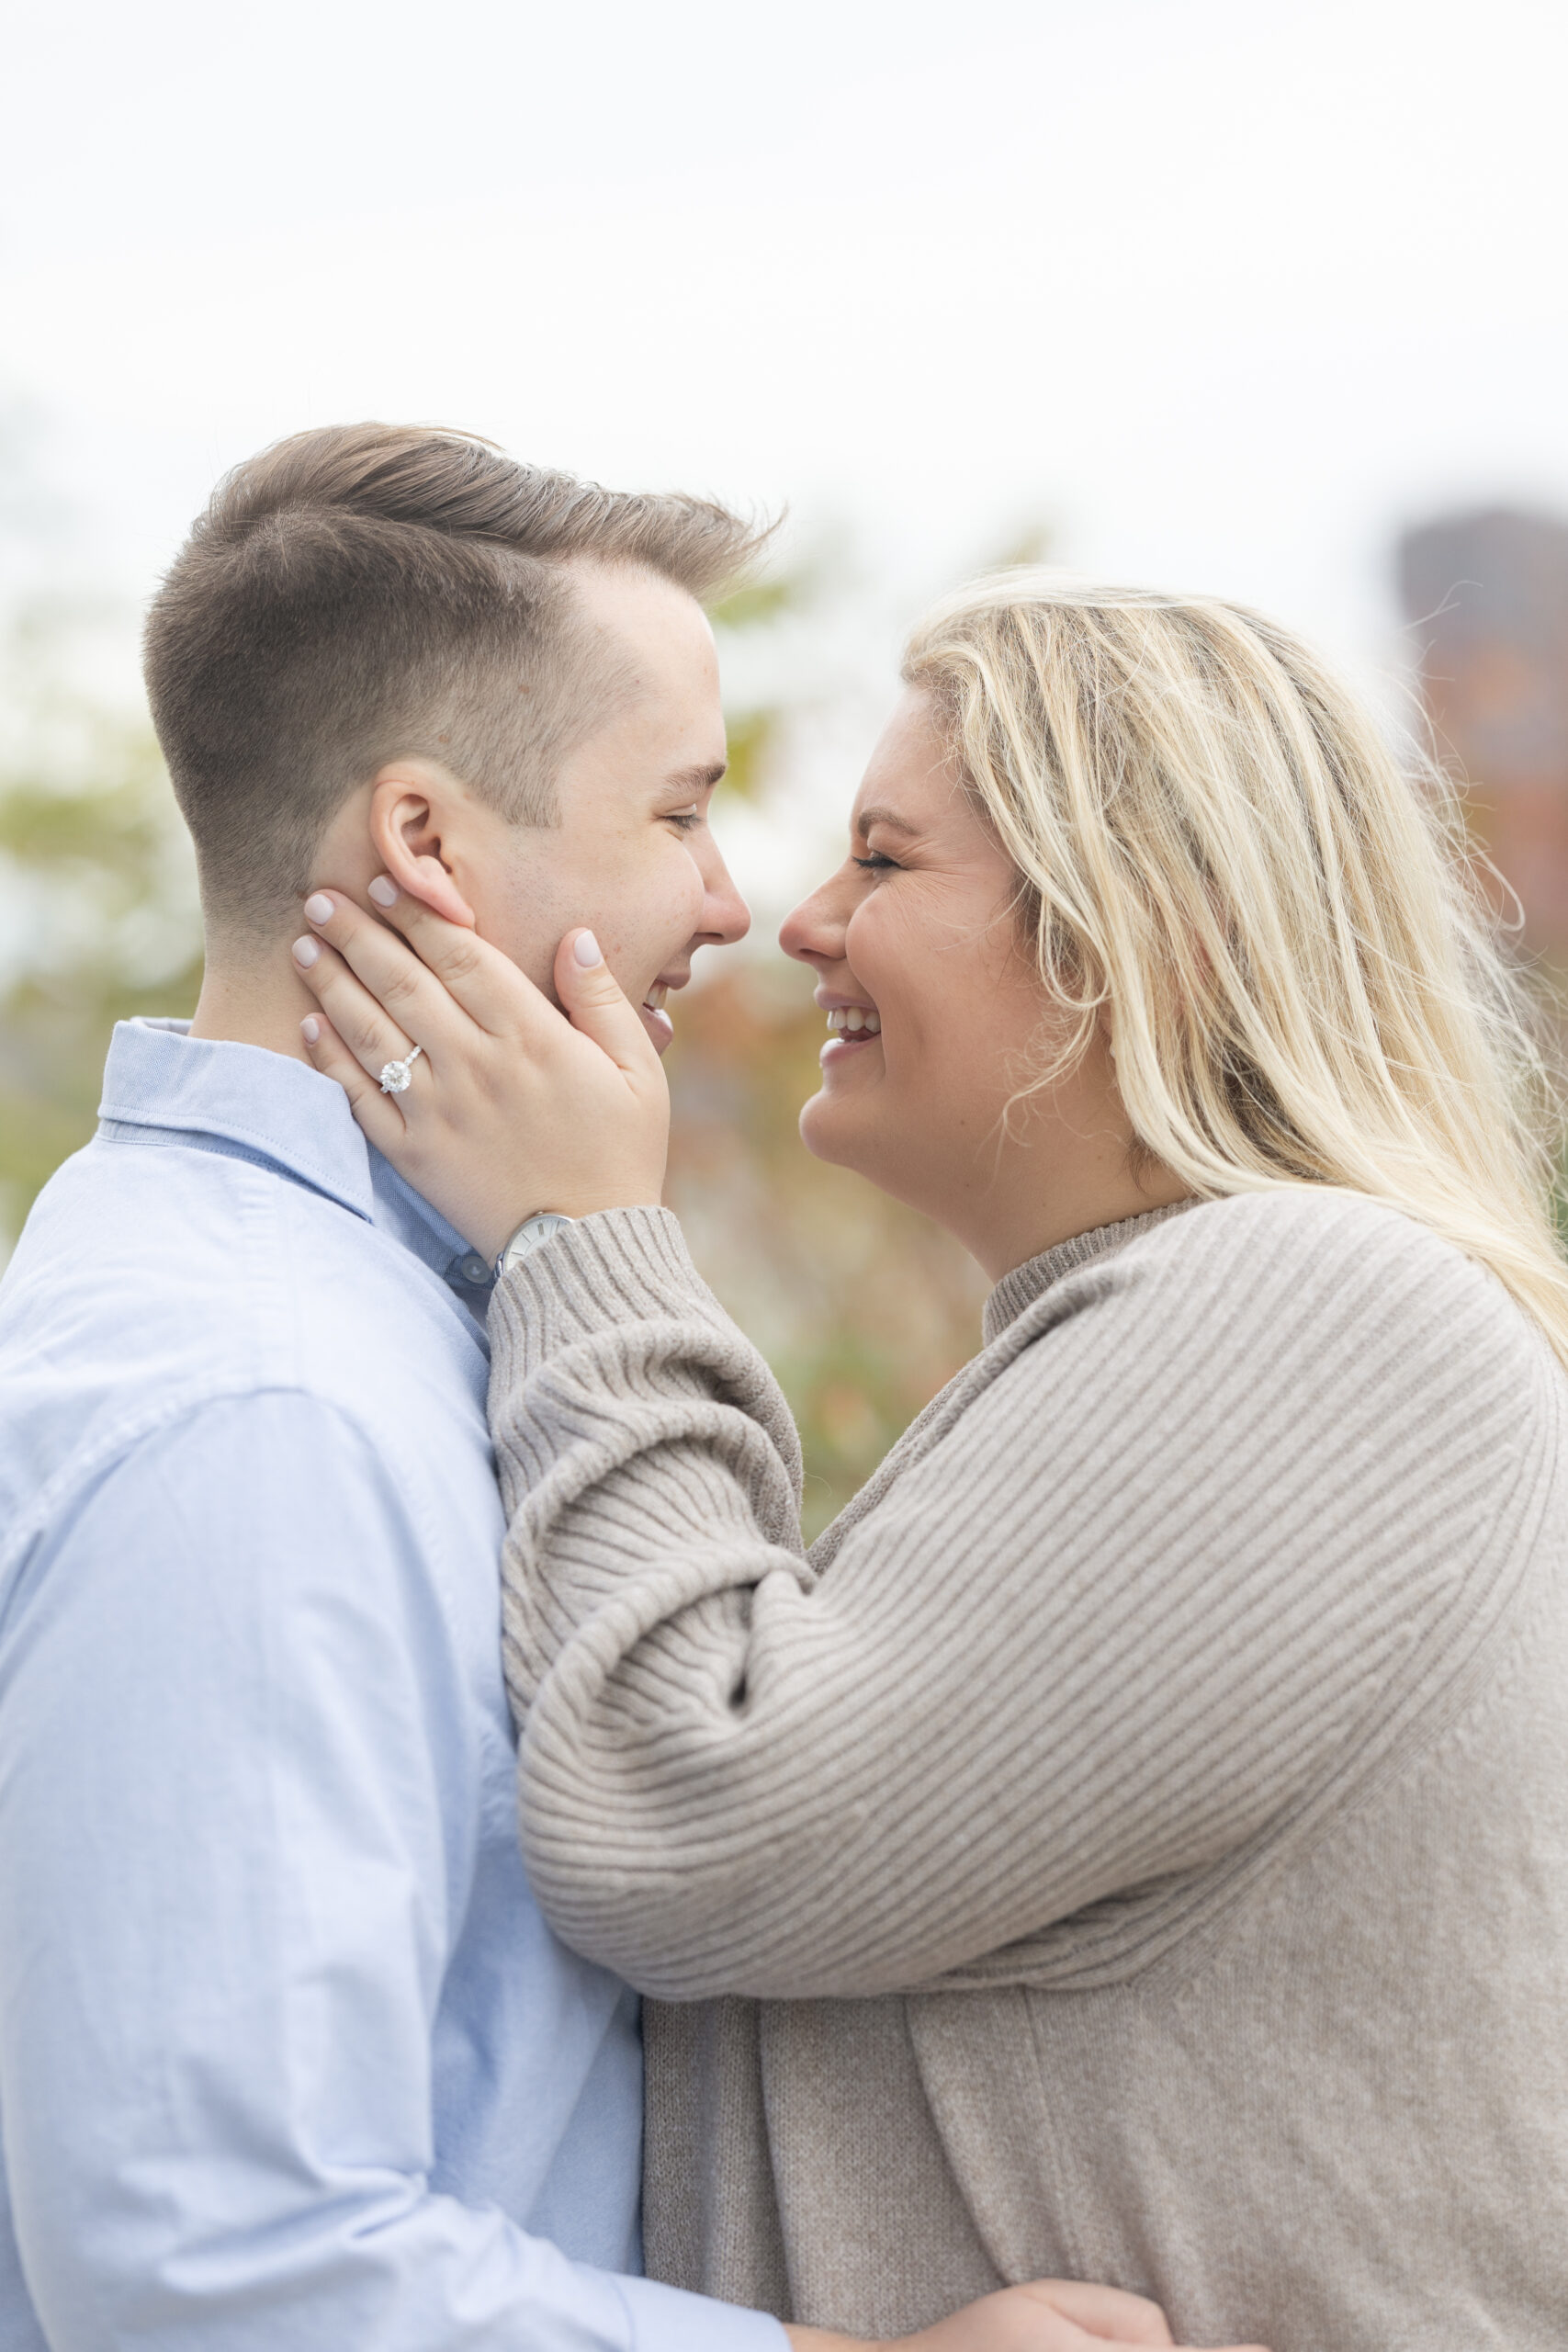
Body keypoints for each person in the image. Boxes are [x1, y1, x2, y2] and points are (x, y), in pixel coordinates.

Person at [0, 429, 1196, 2352]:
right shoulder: (262, 1412)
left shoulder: (332, 1323)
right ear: (422, 845)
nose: (733, 906)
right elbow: (207, 2255)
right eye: (679, 812)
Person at [295, 571, 1568, 2352]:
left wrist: (584, 1239)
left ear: (1144, 925)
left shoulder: (1313, 1303)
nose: (798, 920)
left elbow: (690, 1812)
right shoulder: (1209, 1319)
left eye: (884, 862)